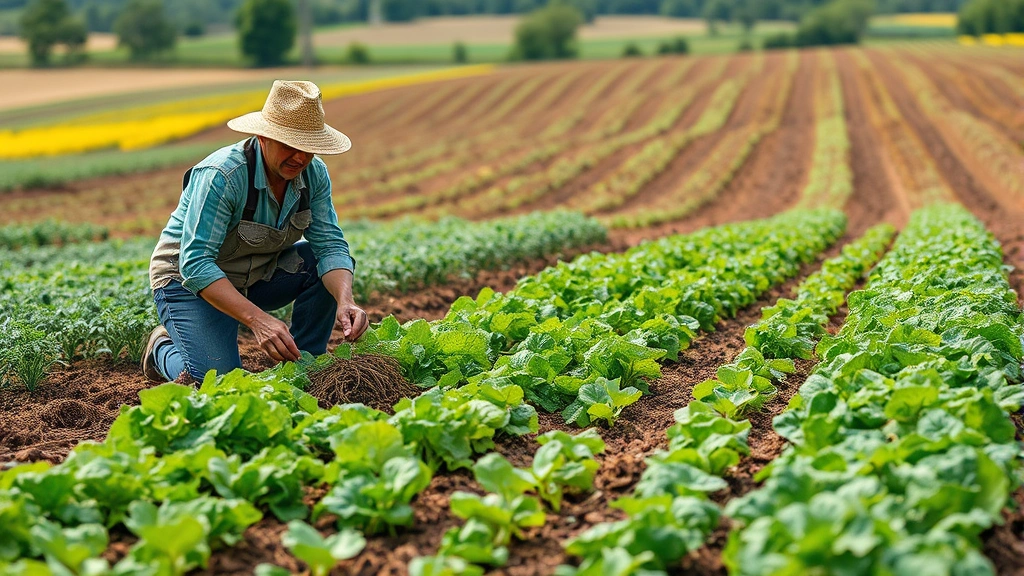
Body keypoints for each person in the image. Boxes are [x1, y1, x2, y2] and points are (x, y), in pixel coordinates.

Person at [143, 80, 368, 383]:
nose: (300, 157)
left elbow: (329, 246)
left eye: (309, 148)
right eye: (291, 144)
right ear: (264, 136)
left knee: (317, 261)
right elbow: (195, 263)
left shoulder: (313, 174)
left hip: (255, 276)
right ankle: (163, 350)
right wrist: (258, 320)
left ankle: (306, 368)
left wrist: (345, 300)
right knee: (216, 385)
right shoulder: (223, 176)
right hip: (187, 283)